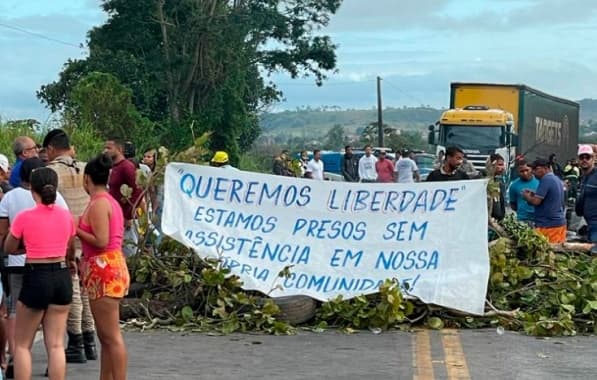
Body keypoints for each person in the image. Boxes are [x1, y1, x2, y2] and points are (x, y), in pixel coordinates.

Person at [4, 167, 75, 380]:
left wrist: (24, 248)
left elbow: (8, 247)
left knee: (23, 345)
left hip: (36, 275)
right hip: (61, 276)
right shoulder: (66, 216)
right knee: (55, 344)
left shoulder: (25, 218)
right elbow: (69, 248)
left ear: (31, 189)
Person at [42, 129, 98, 364]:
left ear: (51, 149)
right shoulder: (88, 169)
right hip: (88, 235)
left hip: (65, 238)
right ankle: (90, 341)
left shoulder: (48, 173)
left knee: (73, 289)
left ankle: (75, 343)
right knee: (85, 290)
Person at [77, 154, 129, 380]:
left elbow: (100, 240)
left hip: (104, 268)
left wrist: (74, 228)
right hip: (106, 267)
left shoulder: (99, 204)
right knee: (105, 336)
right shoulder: (109, 201)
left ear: (86, 178)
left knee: (112, 336)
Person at [104, 139, 143, 257]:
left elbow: (138, 191)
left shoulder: (127, 167)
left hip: (126, 220)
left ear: (119, 149)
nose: (106, 151)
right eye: (105, 148)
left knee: (129, 253)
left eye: (109, 148)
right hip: (116, 218)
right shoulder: (114, 167)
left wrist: (129, 215)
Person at [522, 158, 566, 243]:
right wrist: (534, 193)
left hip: (549, 225)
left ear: (545, 168)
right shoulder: (556, 179)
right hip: (558, 224)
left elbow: (536, 201)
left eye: (536, 169)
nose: (533, 172)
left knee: (548, 252)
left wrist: (526, 197)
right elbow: (549, 197)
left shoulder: (546, 179)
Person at [575, 145, 597, 254]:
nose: (584, 160)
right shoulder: (583, 178)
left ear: (593, 159)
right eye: (581, 157)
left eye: (587, 157)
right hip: (589, 225)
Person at [508, 160, 539, 225]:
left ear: (531, 169)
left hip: (538, 218)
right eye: (521, 171)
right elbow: (513, 204)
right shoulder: (514, 186)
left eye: (527, 170)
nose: (525, 173)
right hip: (523, 220)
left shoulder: (540, 181)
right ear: (517, 172)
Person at [489, 154, 506, 221]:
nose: (502, 168)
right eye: (499, 165)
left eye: (503, 165)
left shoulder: (498, 181)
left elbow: (498, 200)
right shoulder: (484, 181)